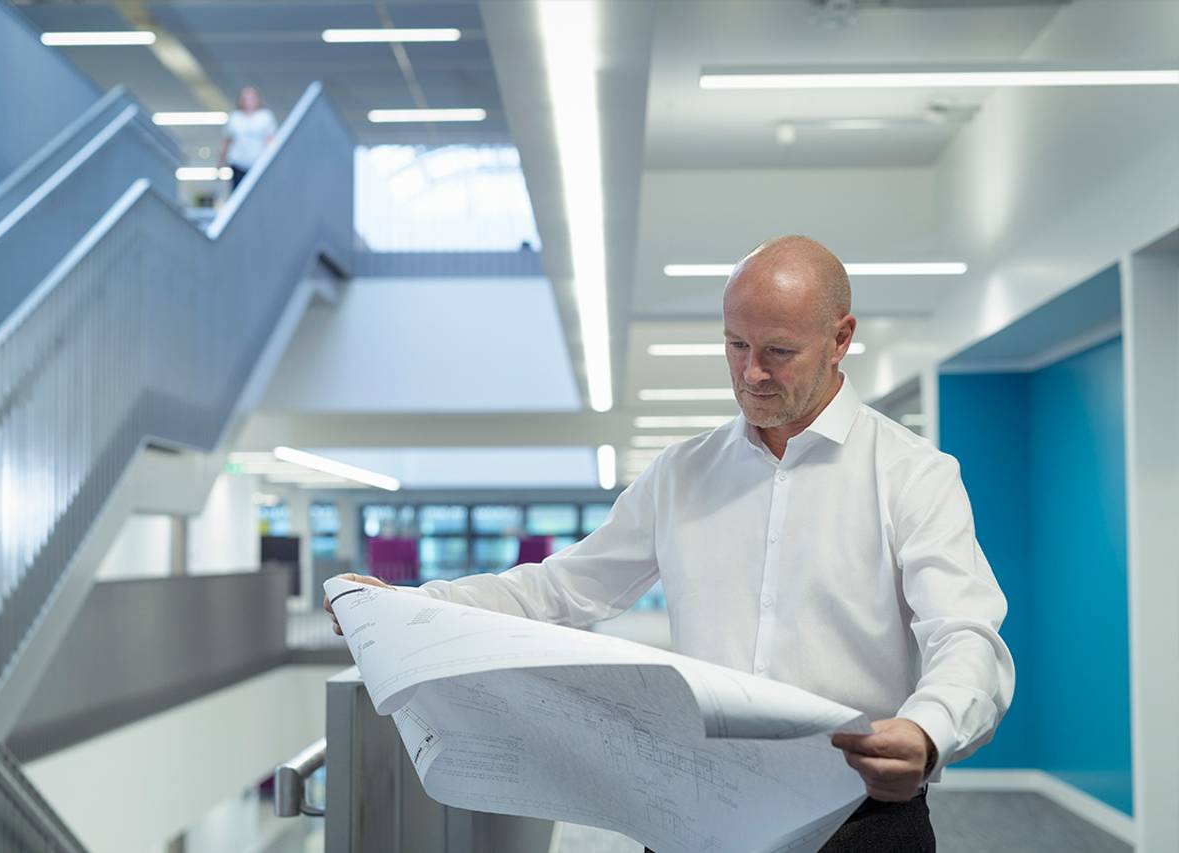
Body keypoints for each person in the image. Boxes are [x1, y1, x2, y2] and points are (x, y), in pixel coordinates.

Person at [326, 235, 1014, 851]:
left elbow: (966, 633)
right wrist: (416, 603)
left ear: (840, 338)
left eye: (778, 351)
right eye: (734, 345)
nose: (750, 374)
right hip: (700, 816)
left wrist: (926, 730)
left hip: (859, 817)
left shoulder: (912, 474)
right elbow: (559, 588)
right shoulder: (683, 473)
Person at [218, 86, 276, 190]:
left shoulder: (265, 117)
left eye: (251, 99)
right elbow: (227, 141)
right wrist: (220, 161)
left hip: (258, 163)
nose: (248, 102)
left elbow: (270, 140)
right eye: (245, 99)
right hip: (238, 163)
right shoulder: (235, 117)